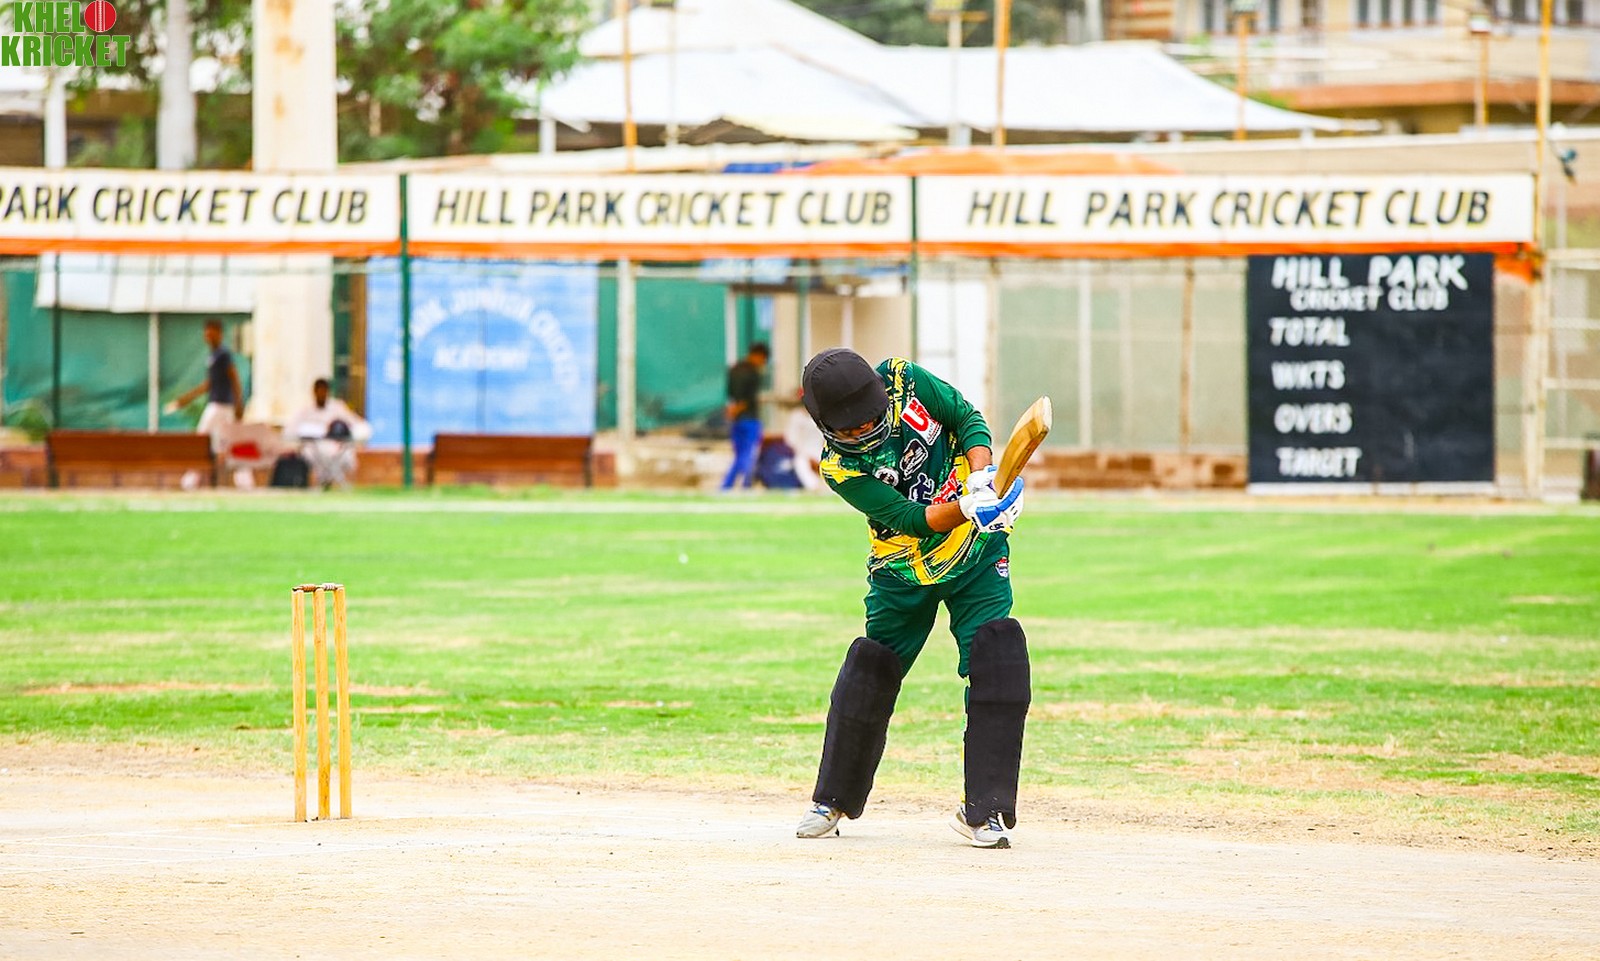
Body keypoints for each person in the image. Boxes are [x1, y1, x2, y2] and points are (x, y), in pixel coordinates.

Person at [794, 348, 1028, 849]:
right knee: (872, 668)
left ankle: (984, 810)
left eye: (871, 418)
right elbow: (909, 520)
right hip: (903, 569)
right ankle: (832, 799)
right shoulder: (839, 469)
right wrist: (967, 506)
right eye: (852, 428)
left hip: (978, 555)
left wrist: (983, 478)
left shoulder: (903, 379)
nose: (866, 429)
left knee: (999, 654)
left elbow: (966, 420)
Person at [168, 318, 247, 490]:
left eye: (212, 332)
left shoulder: (223, 354)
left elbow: (234, 377)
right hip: (216, 405)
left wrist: (238, 403)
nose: (209, 335)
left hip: (221, 405)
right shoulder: (212, 356)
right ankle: (195, 479)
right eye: (207, 332)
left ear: (219, 333)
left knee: (205, 439)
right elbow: (209, 384)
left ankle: (193, 479)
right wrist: (185, 399)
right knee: (224, 443)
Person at [284, 378, 371, 490]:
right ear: (314, 392)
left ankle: (333, 481)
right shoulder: (305, 411)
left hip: (337, 448)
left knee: (346, 454)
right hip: (314, 449)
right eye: (318, 391)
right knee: (310, 453)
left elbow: (355, 423)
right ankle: (323, 482)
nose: (321, 394)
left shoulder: (338, 408)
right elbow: (290, 430)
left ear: (328, 392)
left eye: (324, 391)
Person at [720, 342, 770, 490]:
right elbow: (748, 398)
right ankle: (746, 484)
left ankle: (726, 486)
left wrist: (732, 410)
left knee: (739, 454)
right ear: (759, 356)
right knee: (749, 453)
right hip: (750, 418)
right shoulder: (753, 373)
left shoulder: (734, 369)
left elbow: (731, 394)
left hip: (736, 419)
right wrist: (738, 409)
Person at [782, 388, 826, 493]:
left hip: (820, 451)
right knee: (800, 462)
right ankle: (814, 487)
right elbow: (791, 439)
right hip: (803, 452)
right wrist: (805, 454)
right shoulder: (796, 416)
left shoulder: (821, 416)